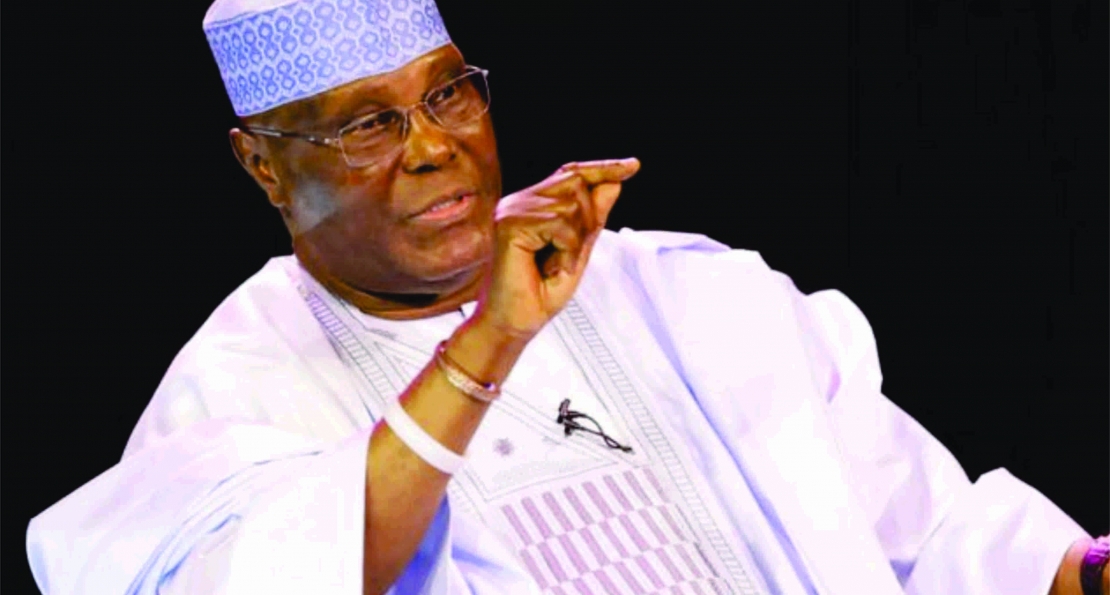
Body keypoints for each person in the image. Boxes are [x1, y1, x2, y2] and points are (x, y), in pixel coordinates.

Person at [25, 0, 1108, 593]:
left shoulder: (685, 292)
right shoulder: (237, 389)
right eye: (367, 123)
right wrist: (492, 339)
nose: (435, 147)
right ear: (262, 166)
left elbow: (940, 539)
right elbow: (283, 575)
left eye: (447, 91)